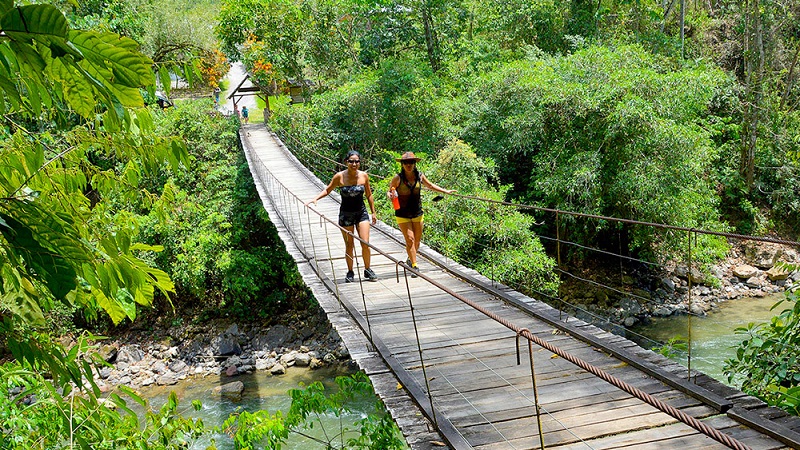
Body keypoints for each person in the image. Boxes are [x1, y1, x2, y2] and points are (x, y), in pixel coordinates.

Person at [305, 150, 378, 283]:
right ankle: (350, 272)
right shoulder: (339, 177)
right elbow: (328, 189)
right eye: (351, 161)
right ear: (346, 162)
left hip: (361, 213)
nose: (354, 164)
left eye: (357, 161)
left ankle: (368, 269)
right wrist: (315, 198)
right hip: (346, 214)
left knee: (365, 243)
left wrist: (373, 212)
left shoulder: (364, 176)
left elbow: (369, 194)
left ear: (360, 163)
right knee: (349, 245)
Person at [387, 151, 455, 277]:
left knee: (417, 241)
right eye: (406, 162)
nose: (409, 165)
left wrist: (445, 191)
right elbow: (390, 190)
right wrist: (391, 195)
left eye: (411, 162)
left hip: (417, 212)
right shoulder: (398, 178)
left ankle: (410, 258)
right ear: (402, 164)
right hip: (402, 213)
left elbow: (430, 185)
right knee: (410, 239)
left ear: (415, 163)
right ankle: (414, 266)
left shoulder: (419, 176)